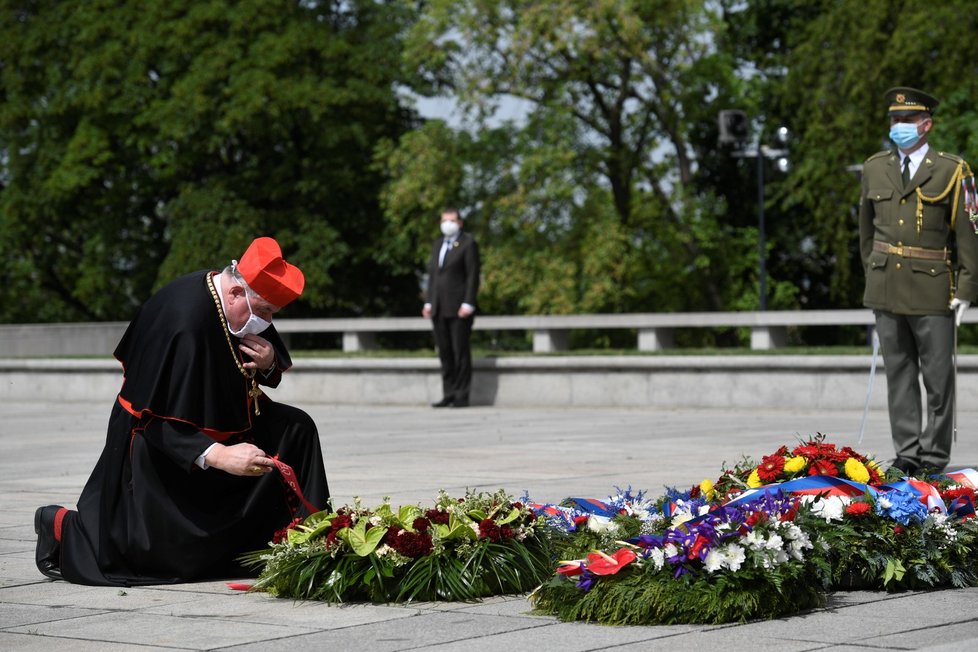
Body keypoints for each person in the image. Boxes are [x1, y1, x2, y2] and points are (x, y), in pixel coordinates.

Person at [34, 237, 330, 586]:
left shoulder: (237, 307)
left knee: (298, 428)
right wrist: (219, 455)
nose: (264, 322)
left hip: (229, 423)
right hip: (161, 443)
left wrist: (267, 362)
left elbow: (254, 363)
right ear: (236, 292)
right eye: (263, 311)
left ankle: (304, 540)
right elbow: (153, 418)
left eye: (271, 315)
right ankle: (59, 526)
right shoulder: (182, 322)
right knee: (167, 561)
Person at [859, 87, 978, 475]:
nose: (899, 126)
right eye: (894, 120)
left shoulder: (952, 170)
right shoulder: (875, 167)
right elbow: (865, 232)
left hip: (933, 288)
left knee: (939, 380)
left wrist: (966, 290)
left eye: (907, 120)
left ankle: (934, 455)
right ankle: (907, 451)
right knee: (900, 376)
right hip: (886, 288)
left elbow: (968, 235)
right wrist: (873, 274)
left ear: (926, 125)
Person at [422, 207, 481, 408]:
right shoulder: (438, 244)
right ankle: (448, 393)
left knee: (460, 352)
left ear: (460, 222)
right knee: (445, 353)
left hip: (459, 308)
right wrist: (429, 302)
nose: (448, 224)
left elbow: (473, 275)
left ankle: (461, 395)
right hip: (438, 308)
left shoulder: (468, 243)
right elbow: (434, 276)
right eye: (444, 220)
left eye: (452, 220)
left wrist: (468, 302)